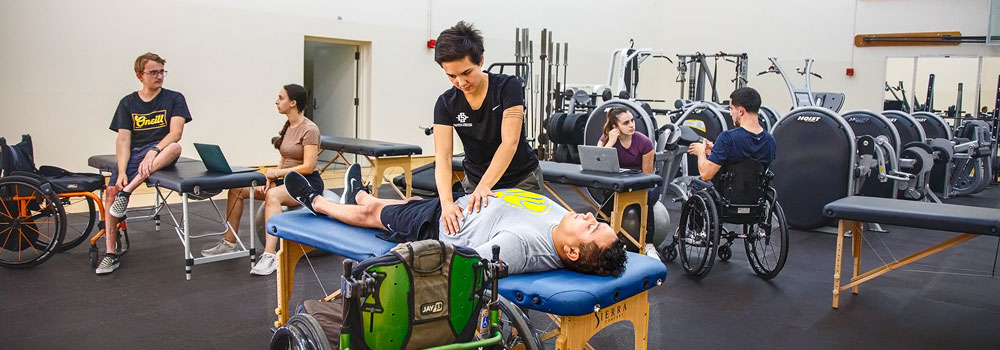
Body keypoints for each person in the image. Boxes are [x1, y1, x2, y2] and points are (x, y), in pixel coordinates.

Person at [284, 165, 627, 277]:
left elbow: (467, 266)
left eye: (592, 226)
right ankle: (356, 192)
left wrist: (417, 251)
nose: (587, 216)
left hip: (436, 225)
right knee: (408, 201)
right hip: (453, 208)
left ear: (570, 252)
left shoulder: (520, 247)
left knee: (373, 216)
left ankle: (316, 202)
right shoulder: (563, 224)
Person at [432, 21, 542, 237]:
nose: (461, 82)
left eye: (466, 72)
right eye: (451, 76)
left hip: (521, 180)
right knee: (475, 236)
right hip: (475, 182)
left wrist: (485, 187)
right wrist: (446, 203)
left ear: (481, 60)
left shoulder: (508, 87)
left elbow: (509, 142)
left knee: (523, 235)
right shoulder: (445, 103)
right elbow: (443, 158)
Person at [199, 84, 323, 276]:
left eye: (280, 98)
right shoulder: (288, 126)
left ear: (293, 102)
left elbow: (308, 166)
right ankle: (230, 242)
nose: (276, 101)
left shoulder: (310, 129)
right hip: (285, 180)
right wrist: (271, 179)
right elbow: (284, 160)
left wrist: (276, 176)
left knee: (272, 196)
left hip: (305, 183)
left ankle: (270, 256)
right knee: (236, 190)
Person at [97, 52, 190, 275]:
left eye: (162, 72)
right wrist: (120, 171)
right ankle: (111, 253)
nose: (159, 76)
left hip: (162, 151)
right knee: (111, 191)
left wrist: (154, 150)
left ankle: (128, 191)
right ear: (140, 75)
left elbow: (176, 133)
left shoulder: (174, 98)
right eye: (153, 72)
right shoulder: (128, 103)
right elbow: (123, 139)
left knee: (175, 148)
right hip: (137, 153)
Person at [688, 87, 776, 181]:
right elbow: (747, 164)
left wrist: (700, 152)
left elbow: (706, 175)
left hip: (727, 193)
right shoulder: (770, 140)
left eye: (731, 108)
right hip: (756, 194)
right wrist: (716, 150)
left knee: (693, 184)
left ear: (741, 111)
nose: (730, 113)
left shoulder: (727, 138)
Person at [597, 107, 654, 173]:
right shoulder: (606, 138)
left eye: (632, 120)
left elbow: (647, 175)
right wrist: (610, 143)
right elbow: (598, 164)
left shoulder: (644, 142)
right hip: (612, 179)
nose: (632, 125)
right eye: (626, 123)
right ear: (615, 126)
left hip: (636, 180)